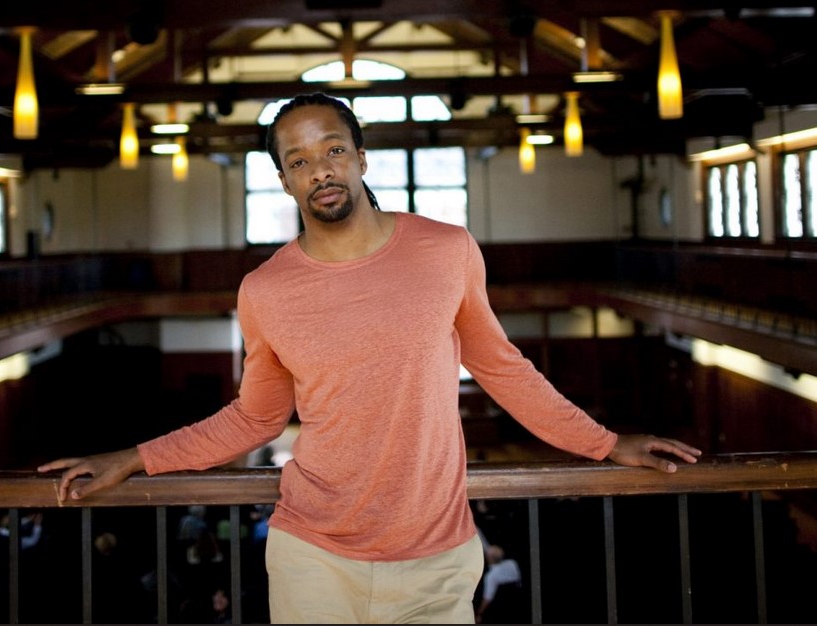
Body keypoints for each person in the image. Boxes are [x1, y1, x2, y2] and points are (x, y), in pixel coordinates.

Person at [38, 92, 702, 624]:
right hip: (313, 554)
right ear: (284, 180)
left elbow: (502, 368)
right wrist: (134, 457)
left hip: (437, 555)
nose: (320, 170)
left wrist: (605, 443)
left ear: (361, 157)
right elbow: (255, 419)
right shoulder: (265, 290)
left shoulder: (448, 250)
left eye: (332, 149)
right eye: (299, 160)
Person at [475, 544, 522, 624]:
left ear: (489, 558)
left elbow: (487, 599)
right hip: (518, 606)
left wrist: (479, 612)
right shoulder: (512, 563)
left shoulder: (491, 576)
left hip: (499, 612)